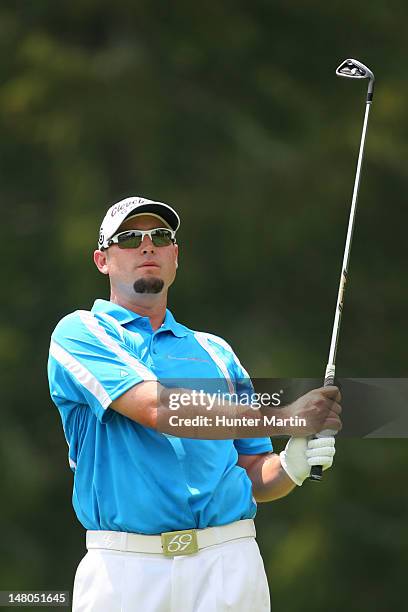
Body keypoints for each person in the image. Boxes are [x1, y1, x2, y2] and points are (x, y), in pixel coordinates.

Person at [47, 196, 341, 612]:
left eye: (161, 237)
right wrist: (287, 415)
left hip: (229, 562)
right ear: (102, 260)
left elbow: (253, 473)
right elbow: (158, 408)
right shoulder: (80, 333)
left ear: (175, 256)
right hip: (125, 569)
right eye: (130, 238)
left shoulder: (215, 351)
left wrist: (290, 465)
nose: (147, 246)